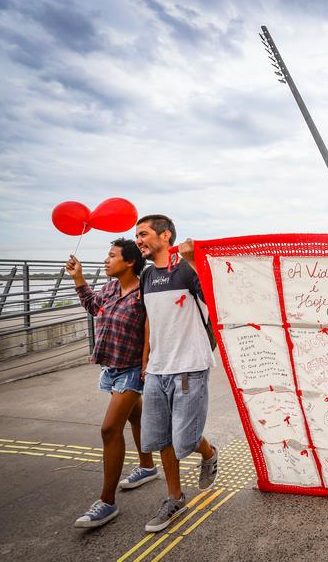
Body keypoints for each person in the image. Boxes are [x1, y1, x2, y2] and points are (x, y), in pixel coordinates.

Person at [135, 214, 218, 533]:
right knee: (161, 439)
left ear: (165, 235)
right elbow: (150, 320)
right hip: (157, 369)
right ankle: (174, 497)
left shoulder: (186, 269)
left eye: (144, 234)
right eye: (137, 235)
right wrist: (146, 361)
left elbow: (214, 300)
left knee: (186, 439)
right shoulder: (146, 275)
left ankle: (209, 453)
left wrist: (195, 259)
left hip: (189, 366)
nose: (139, 240)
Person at [68, 239, 158, 528]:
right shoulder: (109, 289)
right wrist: (79, 278)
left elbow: (154, 328)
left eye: (111, 256)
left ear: (130, 261)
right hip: (112, 367)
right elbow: (92, 305)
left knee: (109, 429)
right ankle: (147, 466)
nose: (106, 260)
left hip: (133, 369)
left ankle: (106, 503)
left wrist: (147, 363)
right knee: (135, 416)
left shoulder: (145, 293)